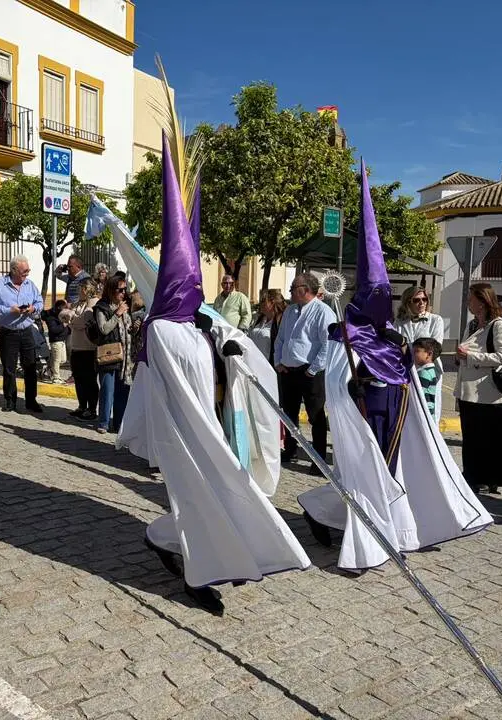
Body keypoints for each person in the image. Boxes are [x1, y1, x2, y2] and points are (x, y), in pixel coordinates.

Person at [127, 135, 309, 613]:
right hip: (182, 432)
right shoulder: (163, 329)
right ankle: (199, 568)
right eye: (187, 283)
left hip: (208, 423)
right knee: (198, 495)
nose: (195, 288)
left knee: (214, 495)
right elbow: (176, 385)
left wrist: (230, 346)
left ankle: (184, 546)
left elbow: (235, 355)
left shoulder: (195, 324)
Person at [298, 161, 491, 570]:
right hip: (365, 420)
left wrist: (398, 351)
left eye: (387, 294)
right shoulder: (345, 334)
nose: (382, 302)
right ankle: (358, 530)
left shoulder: (391, 335)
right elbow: (337, 380)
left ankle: (329, 512)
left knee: (384, 478)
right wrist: (355, 387)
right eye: (376, 294)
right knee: (364, 477)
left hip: (396, 420)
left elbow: (413, 376)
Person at [455, 283, 502, 494]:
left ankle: (490, 478)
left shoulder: (499, 326)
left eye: (471, 299)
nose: (468, 303)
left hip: (490, 394)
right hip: (469, 392)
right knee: (471, 438)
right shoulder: (472, 325)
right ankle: (472, 475)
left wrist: (471, 357)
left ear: (482, 301)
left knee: (491, 440)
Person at [273, 272, 335, 470]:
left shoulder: (323, 312)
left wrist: (313, 369)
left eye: (293, 288)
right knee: (289, 414)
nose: (290, 291)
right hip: (288, 371)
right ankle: (290, 449)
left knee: (315, 416)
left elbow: (327, 344)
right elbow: (281, 338)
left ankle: (318, 459)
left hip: (310, 372)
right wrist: (278, 361)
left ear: (305, 290)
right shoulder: (290, 311)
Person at [0, 255, 44, 413]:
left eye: (28, 271)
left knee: (30, 367)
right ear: (13, 270)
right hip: (8, 332)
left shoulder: (30, 284)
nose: (27, 274)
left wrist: (33, 308)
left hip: (26, 330)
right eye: (24, 271)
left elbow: (39, 301)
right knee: (9, 368)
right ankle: (10, 400)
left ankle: (31, 400)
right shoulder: (0, 284)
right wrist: (10, 310)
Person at [394, 286, 445, 418]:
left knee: (428, 410)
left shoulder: (435, 320)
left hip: (428, 372)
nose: (422, 303)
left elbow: (434, 347)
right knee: (408, 412)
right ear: (408, 302)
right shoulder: (400, 322)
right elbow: (394, 346)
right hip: (406, 372)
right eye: (416, 300)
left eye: (424, 299)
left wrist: (406, 346)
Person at [94, 275, 133, 434]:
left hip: (125, 356)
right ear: (111, 290)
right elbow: (104, 329)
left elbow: (127, 328)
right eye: (120, 290)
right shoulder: (101, 308)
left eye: (125, 290)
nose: (123, 293)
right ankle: (103, 422)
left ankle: (118, 424)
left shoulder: (124, 306)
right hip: (109, 353)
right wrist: (117, 314)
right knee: (107, 390)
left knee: (122, 391)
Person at [68, 278, 99, 420]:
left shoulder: (94, 303)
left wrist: (73, 320)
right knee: (79, 378)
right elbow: (68, 319)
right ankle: (82, 406)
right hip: (76, 346)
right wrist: (73, 320)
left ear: (87, 289)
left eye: (81, 288)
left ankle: (92, 409)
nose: (79, 291)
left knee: (89, 380)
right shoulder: (78, 304)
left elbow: (83, 321)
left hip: (89, 348)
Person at [248, 289, 286, 365]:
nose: (260, 304)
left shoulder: (281, 322)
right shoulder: (259, 319)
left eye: (263, 301)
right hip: (254, 363)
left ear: (273, 303)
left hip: (269, 365)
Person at [413, 337, 441, 421]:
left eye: (417, 351)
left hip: (424, 414)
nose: (414, 354)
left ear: (429, 354)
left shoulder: (424, 373)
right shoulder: (430, 370)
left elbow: (419, 392)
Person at [42, 299, 70, 383]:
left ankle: (49, 368)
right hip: (56, 341)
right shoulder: (51, 318)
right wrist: (63, 325)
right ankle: (56, 377)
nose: (65, 310)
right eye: (64, 308)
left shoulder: (62, 316)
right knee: (57, 360)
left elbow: (67, 328)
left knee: (63, 360)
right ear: (59, 308)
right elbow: (54, 330)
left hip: (62, 341)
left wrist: (69, 329)